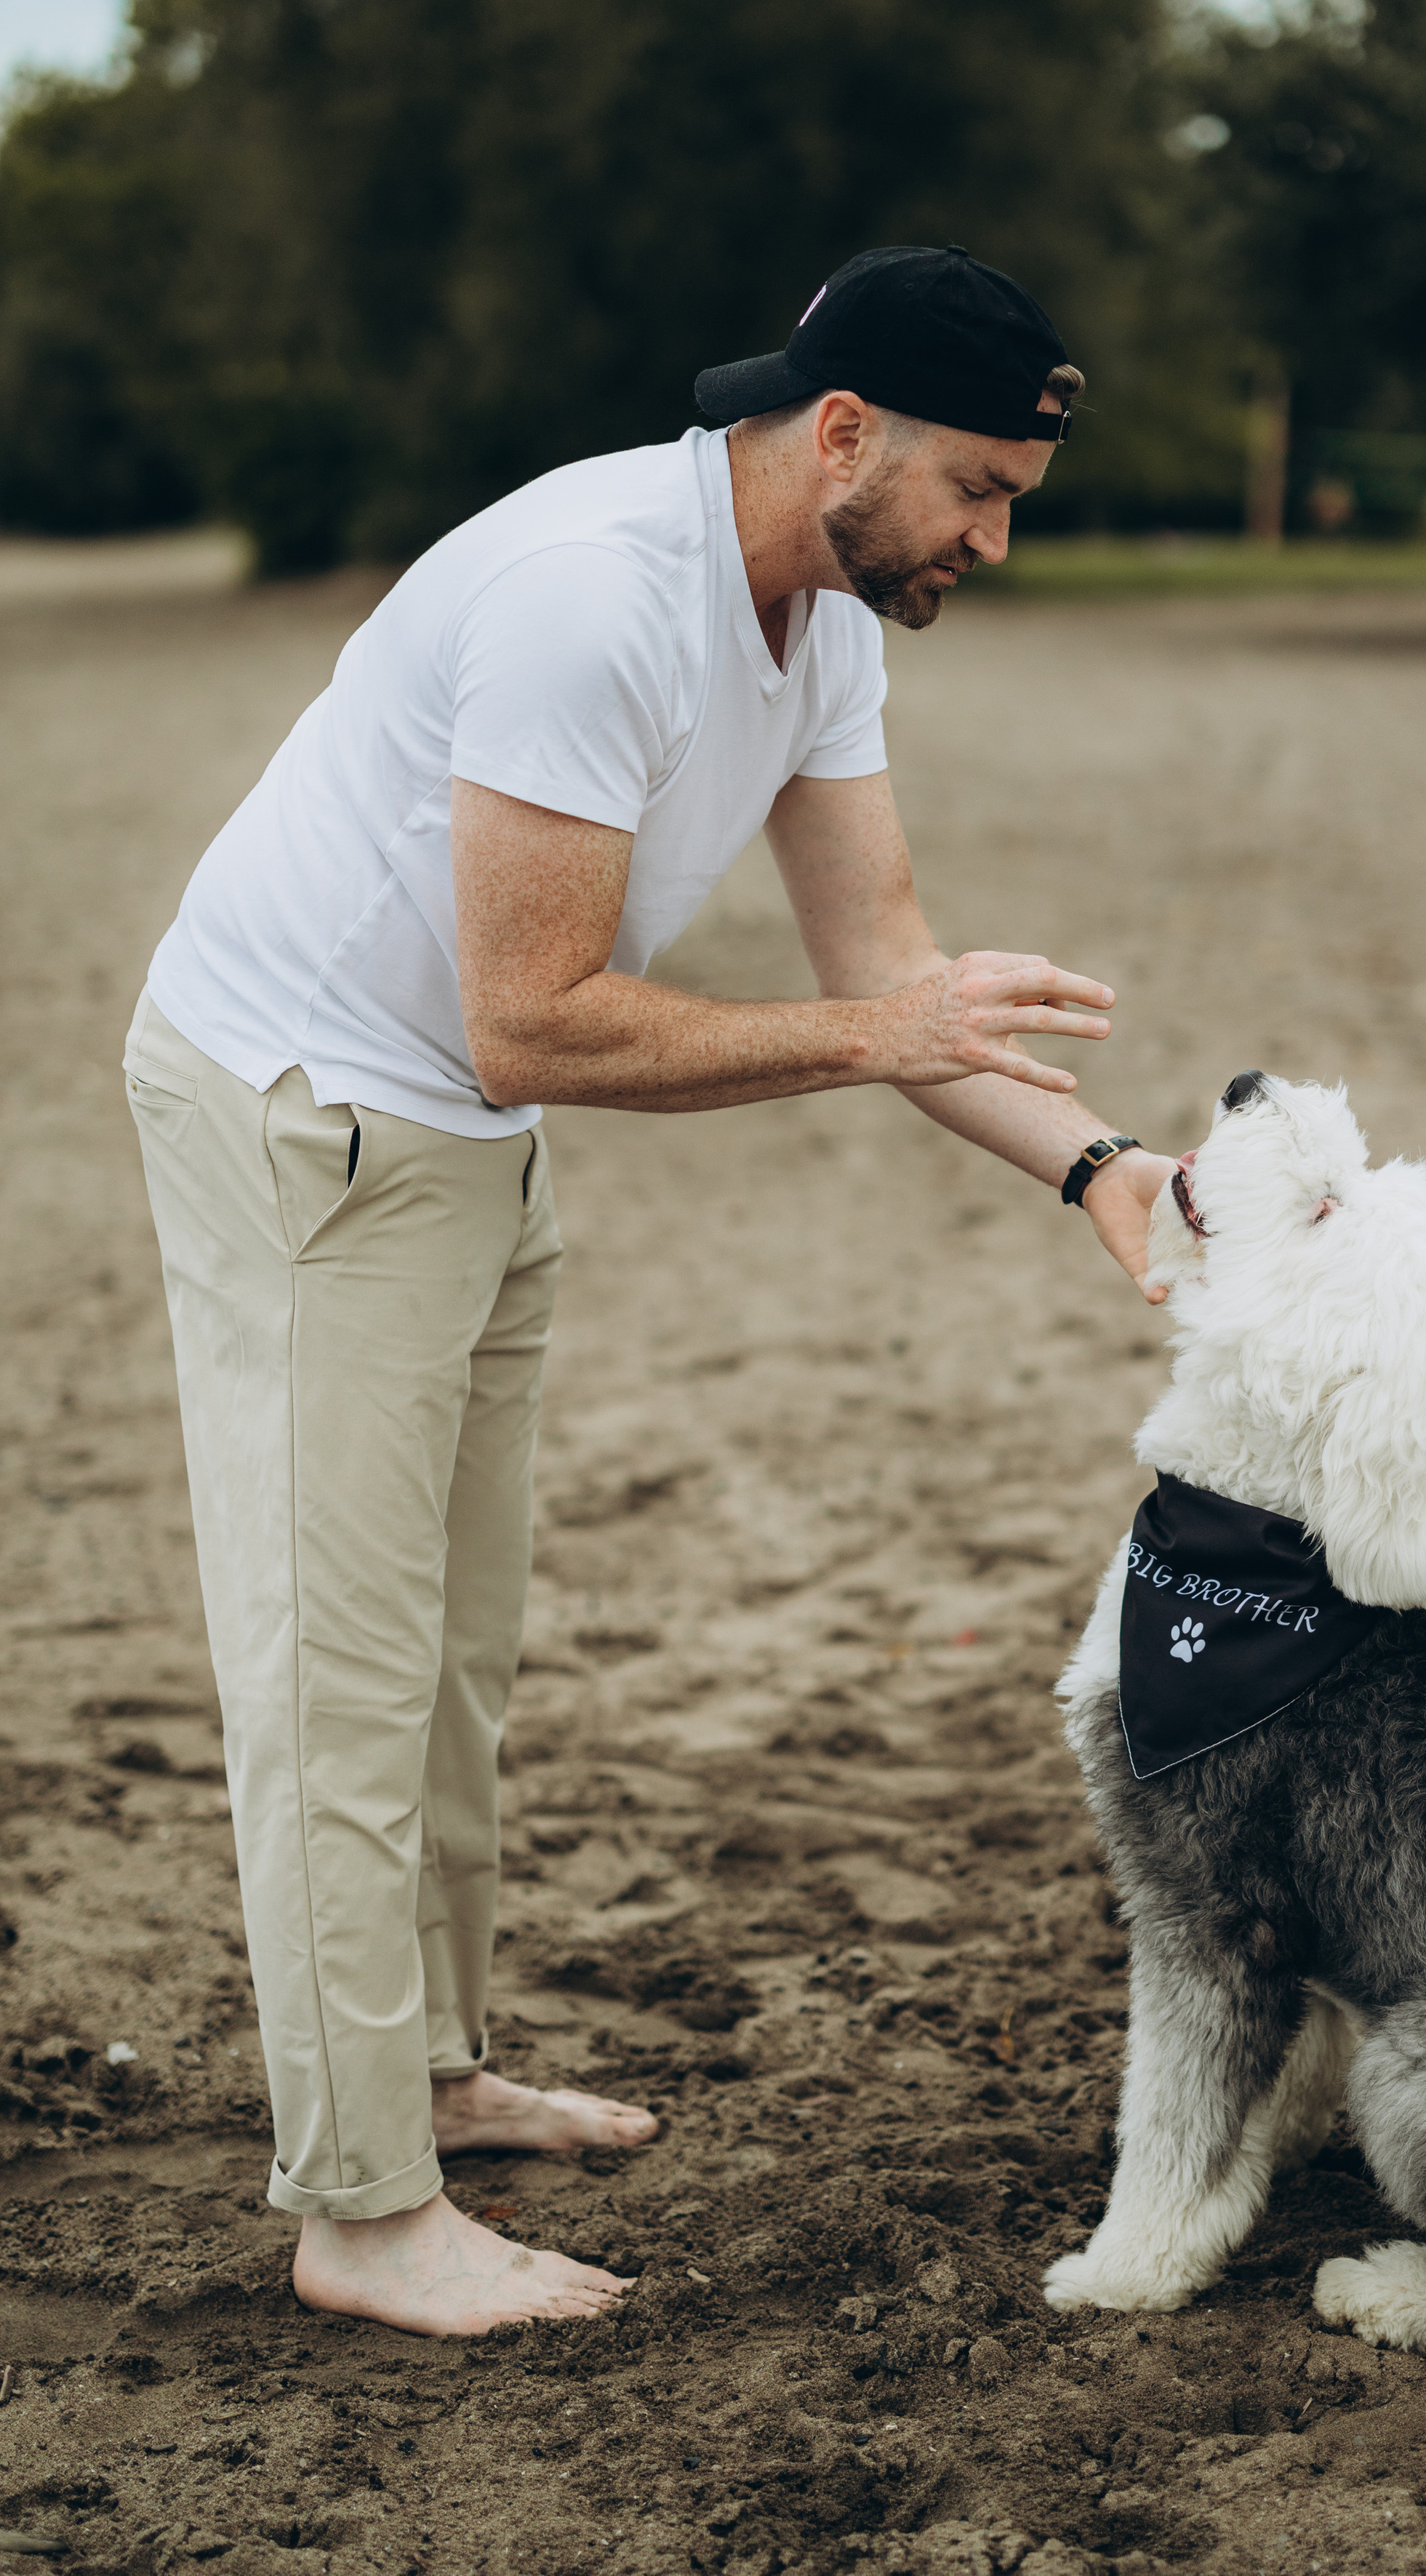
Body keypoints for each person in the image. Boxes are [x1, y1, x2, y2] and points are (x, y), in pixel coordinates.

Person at [124, 244, 1175, 2339]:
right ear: (843, 433)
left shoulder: (831, 621)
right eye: (977, 488)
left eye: (1016, 502)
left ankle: (422, 2075)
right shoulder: (593, 591)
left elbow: (889, 973)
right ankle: (360, 2211)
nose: (990, 538)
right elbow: (540, 1019)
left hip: (465, 1138)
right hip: (311, 1109)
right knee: (340, 1678)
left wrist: (1098, 1171)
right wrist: (874, 1039)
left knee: (454, 1661)